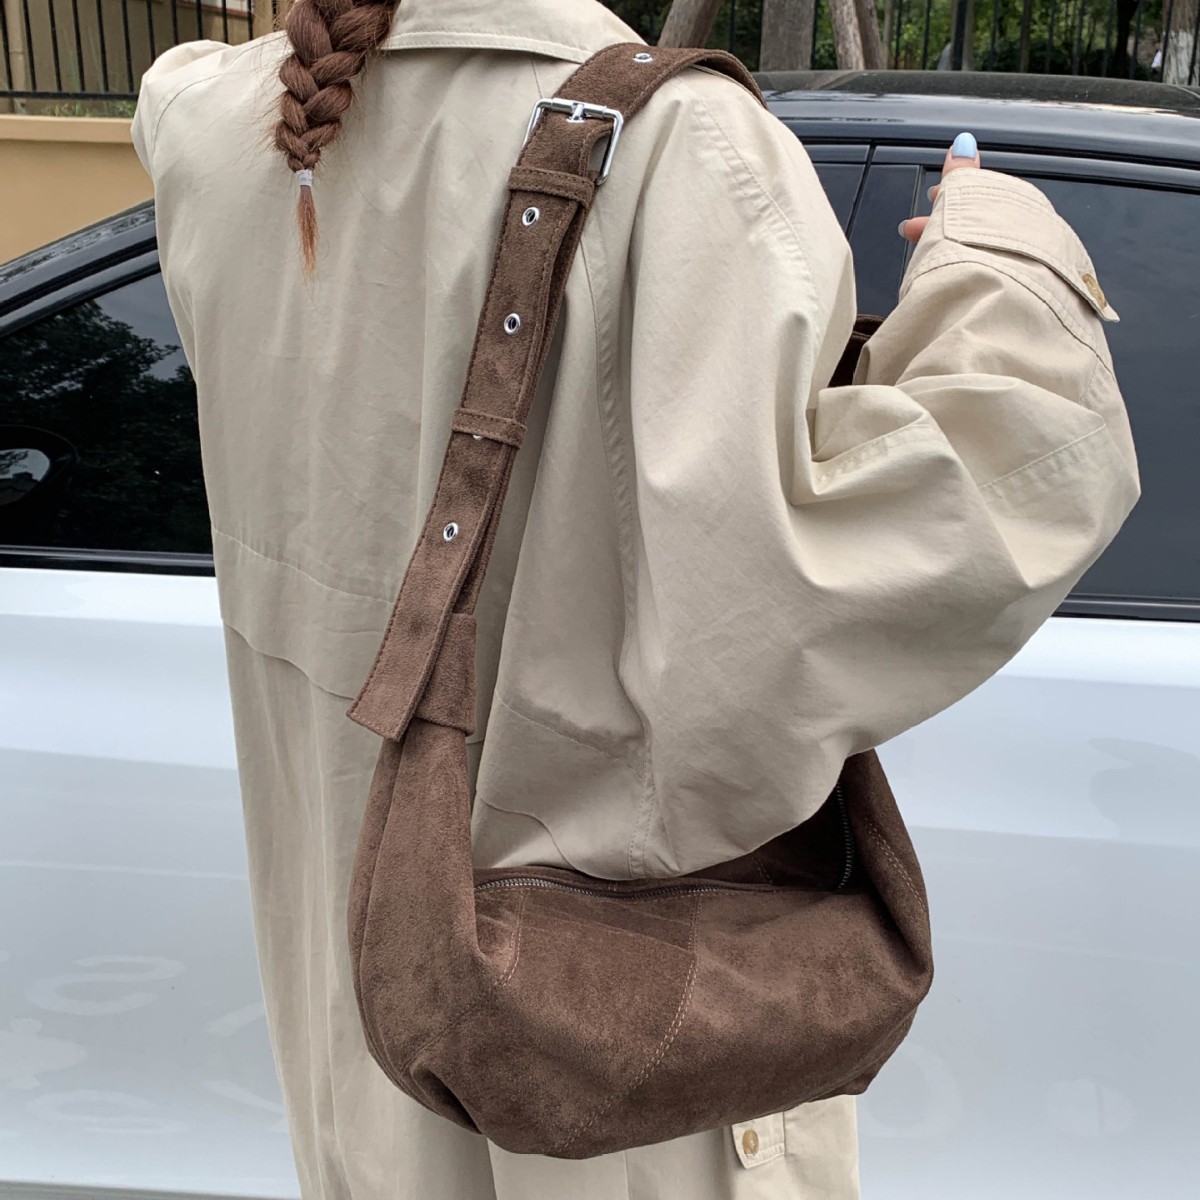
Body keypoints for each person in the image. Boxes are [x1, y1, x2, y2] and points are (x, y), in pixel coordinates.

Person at [131, 0, 1139, 1196]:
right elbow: (885, 558)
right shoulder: (677, 149)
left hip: (360, 1039)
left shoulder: (215, 124)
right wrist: (1005, 258)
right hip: (619, 1069)